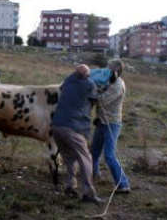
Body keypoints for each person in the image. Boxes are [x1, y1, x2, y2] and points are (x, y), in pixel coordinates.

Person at [52, 64, 104, 204]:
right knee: (86, 158)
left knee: (69, 158)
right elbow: (97, 97)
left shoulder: (68, 80)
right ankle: (88, 194)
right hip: (73, 127)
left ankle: (70, 186)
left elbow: (64, 87)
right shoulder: (89, 85)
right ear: (87, 75)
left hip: (57, 126)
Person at [90, 59, 131, 193]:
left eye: (109, 68)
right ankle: (93, 176)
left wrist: (90, 91)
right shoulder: (108, 82)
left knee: (109, 155)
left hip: (112, 124)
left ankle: (123, 184)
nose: (106, 70)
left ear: (115, 71)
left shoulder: (118, 85)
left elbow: (101, 100)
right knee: (94, 153)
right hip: (101, 122)